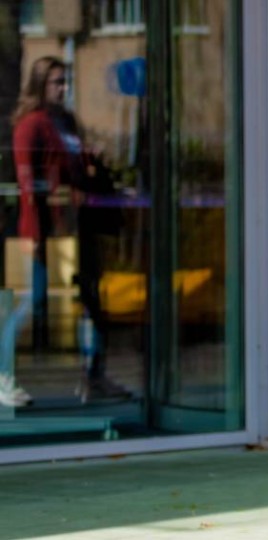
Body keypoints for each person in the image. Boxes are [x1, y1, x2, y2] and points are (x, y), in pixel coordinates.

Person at [12, 56, 119, 400]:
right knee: (35, 301)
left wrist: (91, 158)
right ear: (40, 85)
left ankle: (94, 377)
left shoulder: (66, 122)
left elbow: (71, 163)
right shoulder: (32, 124)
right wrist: (33, 235)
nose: (63, 88)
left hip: (77, 223)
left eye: (65, 81)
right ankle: (3, 373)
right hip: (49, 228)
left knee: (92, 301)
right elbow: (28, 180)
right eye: (57, 82)